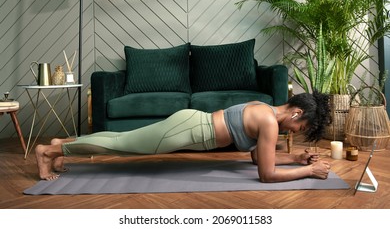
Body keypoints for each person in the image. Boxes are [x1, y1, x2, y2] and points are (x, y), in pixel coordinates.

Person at [35, 91, 332, 182]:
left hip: (190, 125)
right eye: (302, 128)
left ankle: (61, 145)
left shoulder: (265, 110)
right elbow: (265, 174)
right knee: (122, 145)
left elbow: (257, 157)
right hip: (188, 130)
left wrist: (294, 157)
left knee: (119, 137)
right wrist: (309, 170)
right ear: (296, 114)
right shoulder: (268, 121)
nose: (296, 133)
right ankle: (47, 153)